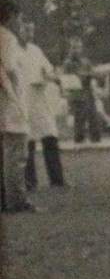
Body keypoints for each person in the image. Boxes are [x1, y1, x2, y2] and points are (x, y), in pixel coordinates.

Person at [17, 19, 66, 190]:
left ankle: (57, 180)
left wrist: (54, 77)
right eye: (26, 30)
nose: (29, 34)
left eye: (31, 30)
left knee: (50, 136)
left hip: (39, 99)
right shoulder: (12, 51)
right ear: (19, 30)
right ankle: (30, 183)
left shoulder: (36, 50)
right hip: (22, 101)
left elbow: (48, 70)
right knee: (27, 142)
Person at [1, 0, 38, 213]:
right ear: (11, 17)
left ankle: (5, 199)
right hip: (10, 100)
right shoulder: (8, 38)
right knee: (15, 154)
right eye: (19, 18)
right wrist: (16, 97)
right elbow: (10, 68)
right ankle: (16, 200)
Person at [61, 35, 100, 144]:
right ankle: (79, 142)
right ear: (70, 48)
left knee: (93, 117)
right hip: (77, 94)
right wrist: (82, 76)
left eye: (78, 47)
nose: (77, 50)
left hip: (88, 91)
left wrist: (89, 74)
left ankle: (96, 141)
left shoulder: (86, 61)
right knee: (79, 120)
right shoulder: (68, 63)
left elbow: (93, 73)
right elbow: (66, 79)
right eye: (74, 47)